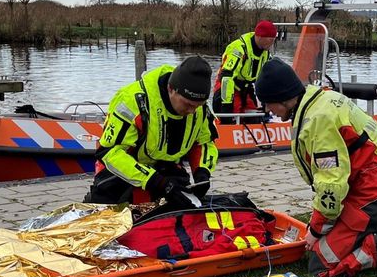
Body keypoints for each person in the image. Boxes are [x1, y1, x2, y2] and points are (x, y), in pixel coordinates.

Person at [254, 58, 377, 277]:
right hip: (376, 189)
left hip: (372, 197)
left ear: (281, 97)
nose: (267, 109)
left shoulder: (318, 121)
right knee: (324, 243)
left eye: (267, 103)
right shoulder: (318, 100)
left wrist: (316, 230)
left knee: (320, 264)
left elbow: (331, 184)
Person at [83, 56, 219, 206]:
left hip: (166, 169)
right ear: (171, 89)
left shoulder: (200, 109)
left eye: (198, 106)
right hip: (122, 170)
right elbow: (109, 153)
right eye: (188, 104)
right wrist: (156, 181)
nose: (192, 111)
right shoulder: (131, 101)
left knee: (185, 205)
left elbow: (205, 142)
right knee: (108, 212)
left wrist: (202, 172)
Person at [212, 20, 277, 120]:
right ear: (260, 37)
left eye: (274, 40)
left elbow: (267, 79)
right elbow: (226, 77)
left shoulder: (266, 53)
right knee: (232, 115)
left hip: (246, 88)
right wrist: (227, 105)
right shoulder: (239, 49)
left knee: (255, 116)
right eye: (271, 40)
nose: (272, 43)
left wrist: (267, 102)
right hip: (227, 87)